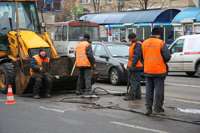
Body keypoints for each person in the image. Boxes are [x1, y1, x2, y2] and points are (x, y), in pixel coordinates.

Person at [141, 27, 171, 115]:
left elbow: (142, 57)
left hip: (148, 70)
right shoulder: (161, 42)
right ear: (159, 34)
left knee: (149, 90)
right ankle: (157, 108)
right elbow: (167, 56)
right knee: (159, 91)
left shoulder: (144, 43)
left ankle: (148, 108)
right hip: (159, 71)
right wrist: (162, 61)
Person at [125, 33, 143, 100]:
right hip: (135, 65)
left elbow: (136, 56)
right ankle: (138, 96)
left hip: (136, 66)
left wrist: (132, 65)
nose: (129, 40)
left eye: (130, 39)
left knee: (133, 81)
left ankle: (131, 96)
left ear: (132, 38)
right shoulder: (134, 44)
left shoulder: (137, 44)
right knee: (137, 81)